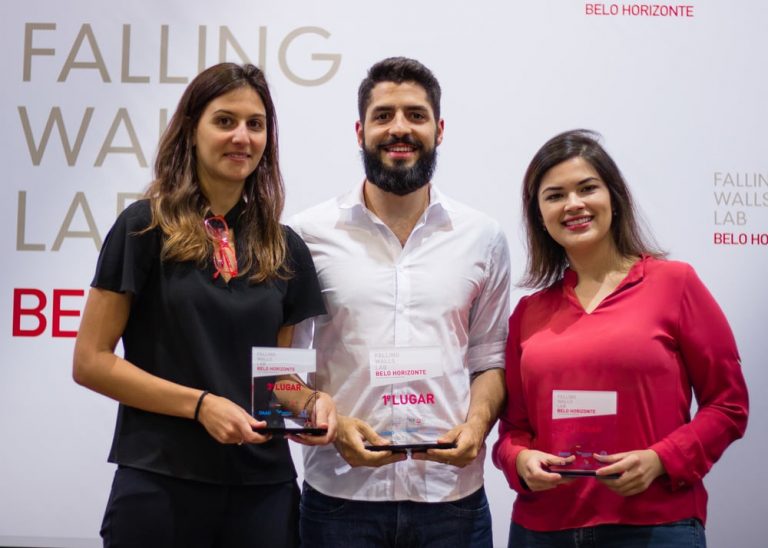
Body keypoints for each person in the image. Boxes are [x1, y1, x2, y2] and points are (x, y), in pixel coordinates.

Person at [72, 62, 336, 548]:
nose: (242, 137)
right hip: (160, 481)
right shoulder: (142, 228)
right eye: (225, 121)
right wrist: (199, 406)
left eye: (255, 124)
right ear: (191, 131)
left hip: (264, 492)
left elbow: (277, 384)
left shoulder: (285, 247)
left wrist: (314, 404)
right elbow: (91, 363)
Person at [289, 57, 511, 547]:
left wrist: (477, 424)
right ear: (360, 130)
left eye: (415, 115)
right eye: (384, 115)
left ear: (439, 128)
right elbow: (284, 371)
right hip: (339, 501)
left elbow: (489, 359)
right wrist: (332, 424)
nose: (399, 129)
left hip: (453, 501)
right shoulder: (306, 234)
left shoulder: (484, 237)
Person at [493, 129, 749, 547]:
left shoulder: (675, 284)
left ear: (613, 196)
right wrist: (519, 460)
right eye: (555, 195)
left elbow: (729, 404)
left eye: (587, 188)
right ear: (539, 215)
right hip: (543, 531)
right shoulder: (528, 314)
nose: (573, 204)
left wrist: (662, 460)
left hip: (656, 526)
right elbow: (513, 432)